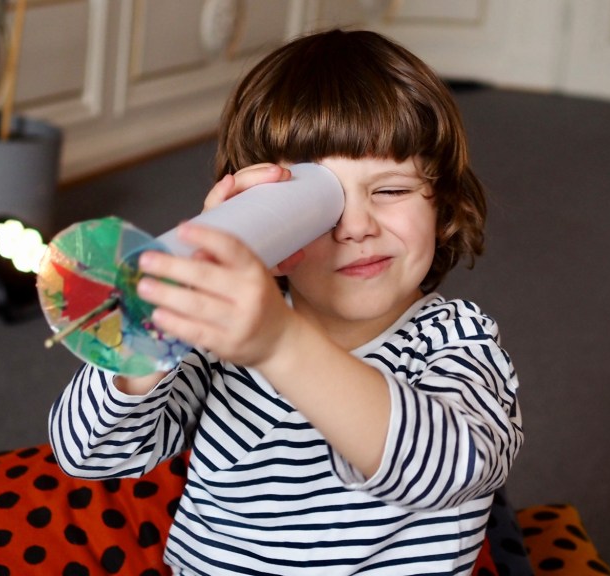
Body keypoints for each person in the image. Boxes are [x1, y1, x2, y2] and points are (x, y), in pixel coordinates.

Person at [49, 28, 523, 575]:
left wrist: (278, 343)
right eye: (320, 205)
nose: (357, 227)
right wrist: (153, 321)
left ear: (442, 204)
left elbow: (457, 469)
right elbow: (88, 454)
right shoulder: (220, 339)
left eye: (391, 190)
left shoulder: (458, 343)